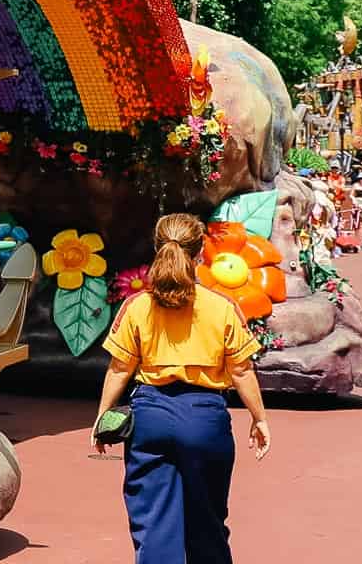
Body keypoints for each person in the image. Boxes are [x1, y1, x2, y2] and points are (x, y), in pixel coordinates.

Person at [94, 213, 270, 563]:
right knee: (207, 520)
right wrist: (259, 418)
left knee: (154, 521)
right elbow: (242, 370)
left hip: (150, 416)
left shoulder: (137, 305)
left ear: (158, 248)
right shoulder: (222, 307)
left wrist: (103, 417)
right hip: (205, 418)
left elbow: (119, 368)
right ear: (200, 254)